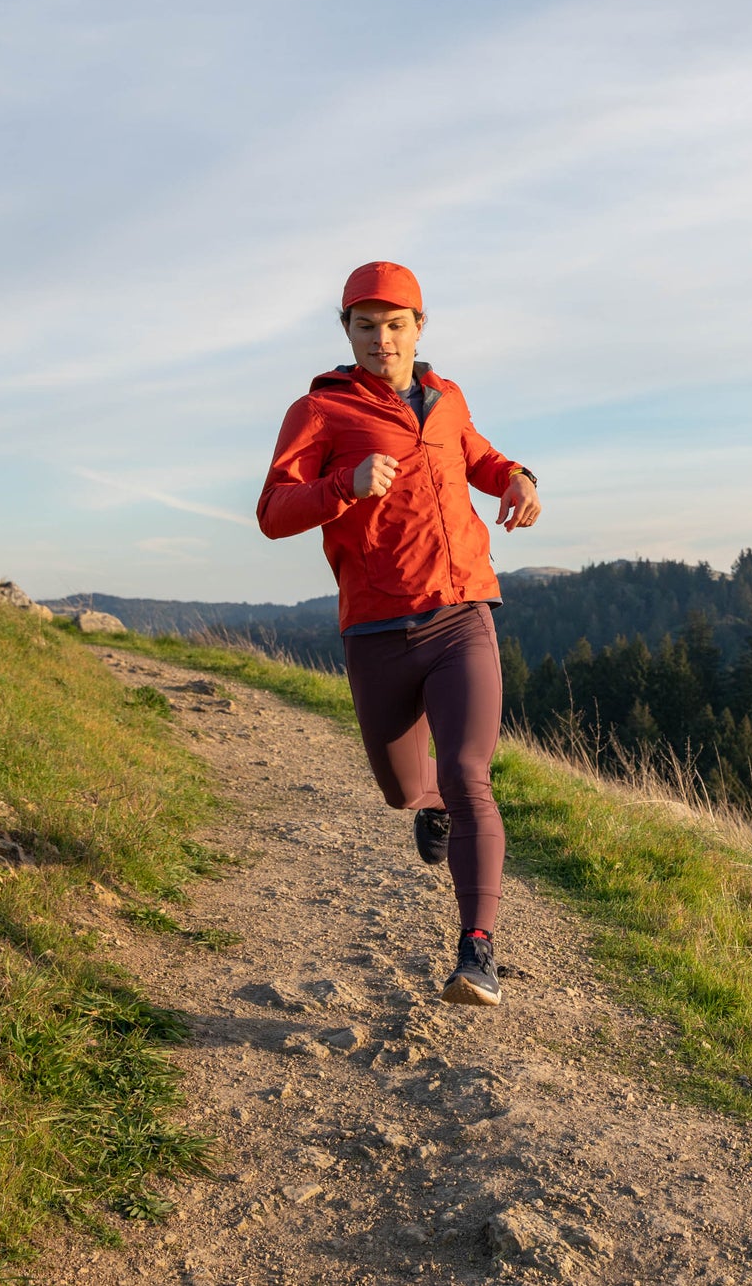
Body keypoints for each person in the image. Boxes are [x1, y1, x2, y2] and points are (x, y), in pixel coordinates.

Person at [256, 261, 541, 1006]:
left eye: (395, 324)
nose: (382, 339)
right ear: (346, 331)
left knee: (470, 774)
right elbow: (273, 510)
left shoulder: (447, 399)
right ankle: (429, 805)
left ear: (420, 326)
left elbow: (475, 452)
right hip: (377, 630)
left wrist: (515, 475)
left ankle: (477, 950)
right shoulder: (318, 412)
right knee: (400, 787)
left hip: (462, 611)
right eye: (365, 325)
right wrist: (340, 488)